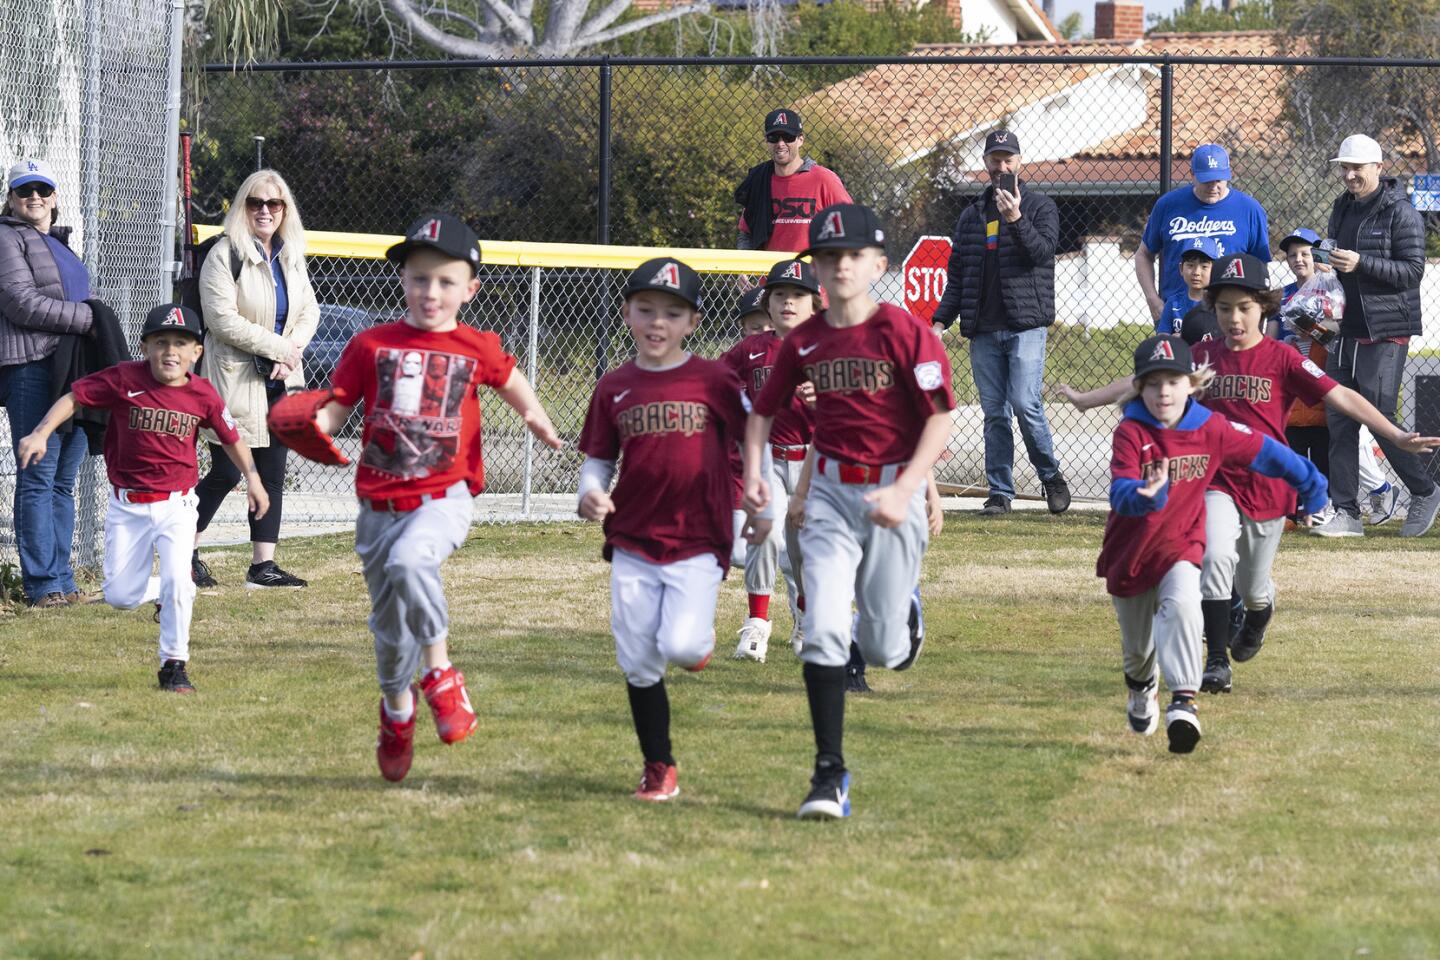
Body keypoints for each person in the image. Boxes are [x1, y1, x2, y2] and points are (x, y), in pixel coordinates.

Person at [1069, 253, 1440, 695]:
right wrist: (1088, 399)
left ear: (1263, 306)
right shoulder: (1201, 357)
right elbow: (1144, 380)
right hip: (1216, 483)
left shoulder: (1281, 358)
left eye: (1243, 307)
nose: (1233, 318)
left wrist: (1396, 436)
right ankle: (1216, 661)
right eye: (1223, 308)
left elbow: (1340, 394)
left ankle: (1260, 609)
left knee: (1253, 586)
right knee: (1213, 560)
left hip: (1267, 487)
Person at [307, 213, 561, 782]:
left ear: (470, 289)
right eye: (420, 278)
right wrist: (313, 424)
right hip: (378, 509)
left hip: (444, 497)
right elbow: (338, 404)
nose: (431, 292)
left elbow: (509, 376)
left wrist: (534, 414)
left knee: (412, 559)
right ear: (403, 281)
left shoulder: (475, 345)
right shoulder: (371, 343)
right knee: (390, 640)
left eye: (446, 281)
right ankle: (397, 713)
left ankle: (443, 676)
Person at [744, 203, 955, 820]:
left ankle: (904, 614)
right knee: (824, 626)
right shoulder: (805, 339)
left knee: (887, 648)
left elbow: (940, 416)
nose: (839, 265)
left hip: (895, 487)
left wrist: (909, 488)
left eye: (852, 255)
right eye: (828, 256)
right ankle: (828, 774)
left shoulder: (905, 332)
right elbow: (762, 412)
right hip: (833, 492)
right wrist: (759, 479)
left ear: (878, 264)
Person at [577, 257, 771, 802]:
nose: (657, 322)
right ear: (626, 315)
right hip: (634, 536)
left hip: (698, 535)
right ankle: (658, 764)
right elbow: (597, 460)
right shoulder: (614, 385)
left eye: (672, 312)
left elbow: (751, 432)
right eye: (646, 310)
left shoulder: (714, 378)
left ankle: (697, 644)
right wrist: (589, 492)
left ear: (693, 322)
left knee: (682, 644)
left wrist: (756, 488)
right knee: (638, 658)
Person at [17, 304, 268, 690]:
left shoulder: (203, 394)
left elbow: (233, 439)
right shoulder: (124, 379)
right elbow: (74, 397)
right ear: (145, 347)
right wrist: (41, 432)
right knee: (119, 595)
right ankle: (165, 589)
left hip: (177, 505)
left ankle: (174, 665)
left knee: (180, 583)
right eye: (161, 342)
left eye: (181, 344)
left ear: (196, 353)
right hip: (127, 505)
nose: (171, 351)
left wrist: (253, 478)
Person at [1098, 334, 1327, 754]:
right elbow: (1119, 490)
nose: (1163, 392)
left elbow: (1267, 452)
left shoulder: (1209, 427)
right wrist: (1143, 494)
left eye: (1172, 381)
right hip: (1130, 555)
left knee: (1186, 604)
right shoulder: (1131, 432)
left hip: (1180, 547)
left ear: (1192, 383)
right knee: (1137, 652)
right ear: (1139, 388)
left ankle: (1184, 704)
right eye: (1152, 383)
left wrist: (1312, 483)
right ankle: (1141, 686)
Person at [193, 169, 320, 589]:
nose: (265, 211)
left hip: (281, 379)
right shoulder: (225, 253)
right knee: (228, 473)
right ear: (242, 206)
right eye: (255, 203)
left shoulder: (290, 254)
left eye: (274, 204)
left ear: (285, 210)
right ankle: (182, 550)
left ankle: (262, 567)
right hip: (235, 378)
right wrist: (278, 348)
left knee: (272, 474)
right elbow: (221, 320)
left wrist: (291, 351)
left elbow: (308, 312)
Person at [931, 131, 1070, 517]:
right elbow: (958, 274)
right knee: (994, 412)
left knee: (1025, 404)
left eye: (1008, 159)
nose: (1001, 166)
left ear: (1019, 162)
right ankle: (1000, 493)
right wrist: (941, 321)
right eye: (995, 159)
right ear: (986, 163)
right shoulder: (971, 215)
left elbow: (1041, 254)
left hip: (1025, 324)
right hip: (984, 329)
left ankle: (1051, 477)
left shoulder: (1041, 207)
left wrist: (1016, 218)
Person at [1308, 134, 1440, 539]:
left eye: (1357, 168)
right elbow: (1335, 254)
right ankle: (1347, 513)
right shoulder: (1341, 206)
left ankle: (1425, 491)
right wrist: (1325, 259)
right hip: (1343, 328)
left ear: (1378, 169)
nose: (1349, 176)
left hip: (1386, 330)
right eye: (1344, 168)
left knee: (1381, 419)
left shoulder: (1402, 213)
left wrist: (1362, 263)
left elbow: (1412, 271)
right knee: (1339, 420)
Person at [0, 158, 95, 607]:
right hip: (32, 368)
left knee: (62, 479)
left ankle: (63, 579)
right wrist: (90, 318)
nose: (34, 198)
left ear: (54, 198)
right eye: (24, 191)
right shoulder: (6, 237)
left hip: (70, 369)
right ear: (11, 199)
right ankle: (41, 586)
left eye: (42, 190)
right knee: (38, 477)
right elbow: (19, 302)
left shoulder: (60, 244)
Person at [722, 259, 818, 664]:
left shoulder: (829, 346)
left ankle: (805, 614)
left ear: (815, 303)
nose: (788, 303)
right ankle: (758, 622)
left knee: (803, 551)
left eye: (797, 295)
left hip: (814, 464)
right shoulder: (752, 349)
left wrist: (829, 397)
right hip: (768, 461)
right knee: (764, 530)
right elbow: (717, 383)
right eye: (779, 295)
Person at [1276, 227, 1399, 526]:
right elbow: (1274, 336)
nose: (1299, 260)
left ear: (1318, 255)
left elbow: (1335, 333)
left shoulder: (1332, 287)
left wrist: (1311, 326)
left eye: (1306, 253)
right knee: (1304, 439)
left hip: (1326, 371)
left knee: (1340, 434)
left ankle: (1370, 491)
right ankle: (1303, 506)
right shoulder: (1284, 294)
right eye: (1293, 255)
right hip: (1296, 376)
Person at [1134, 144, 1270, 325]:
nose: (1213, 186)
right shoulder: (1168, 205)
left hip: (1230, 316)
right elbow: (1144, 254)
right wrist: (1152, 299)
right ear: (1192, 175)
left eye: (1219, 180)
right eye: (1207, 180)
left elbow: (1260, 267)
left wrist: (1256, 313)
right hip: (1177, 314)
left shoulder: (1250, 209)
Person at [734, 109, 853, 253]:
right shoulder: (759, 180)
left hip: (811, 273)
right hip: (770, 274)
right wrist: (745, 268)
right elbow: (746, 233)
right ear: (766, 140)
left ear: (800, 140)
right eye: (774, 137)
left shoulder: (823, 179)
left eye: (788, 137)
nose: (780, 144)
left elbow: (850, 224)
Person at [1158, 236, 1222, 338]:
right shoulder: (1173, 303)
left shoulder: (1220, 304)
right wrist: (1171, 340)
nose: (1196, 272)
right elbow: (1162, 338)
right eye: (1190, 265)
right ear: (1181, 268)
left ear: (1215, 270)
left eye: (1204, 267)